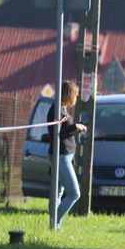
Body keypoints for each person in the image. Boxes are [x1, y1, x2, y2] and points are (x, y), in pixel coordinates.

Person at [48, 80, 87, 228]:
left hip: (65, 156)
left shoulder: (62, 108)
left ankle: (54, 227)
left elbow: (63, 131)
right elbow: (57, 133)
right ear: (69, 94)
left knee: (58, 193)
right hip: (61, 157)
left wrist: (73, 127)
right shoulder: (56, 109)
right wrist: (74, 126)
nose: (77, 95)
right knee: (74, 193)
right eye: (75, 93)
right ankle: (55, 223)